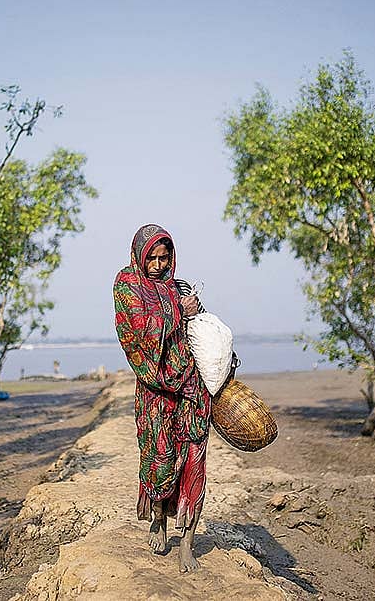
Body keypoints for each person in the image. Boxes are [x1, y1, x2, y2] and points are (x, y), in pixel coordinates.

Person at [113, 223, 210, 573]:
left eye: (164, 257)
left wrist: (193, 310)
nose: (157, 264)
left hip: (190, 388)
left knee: (194, 461)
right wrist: (177, 312)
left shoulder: (176, 287)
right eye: (151, 257)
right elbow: (139, 332)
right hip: (156, 389)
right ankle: (159, 518)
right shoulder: (127, 284)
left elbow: (193, 333)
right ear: (139, 255)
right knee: (161, 459)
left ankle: (187, 543)